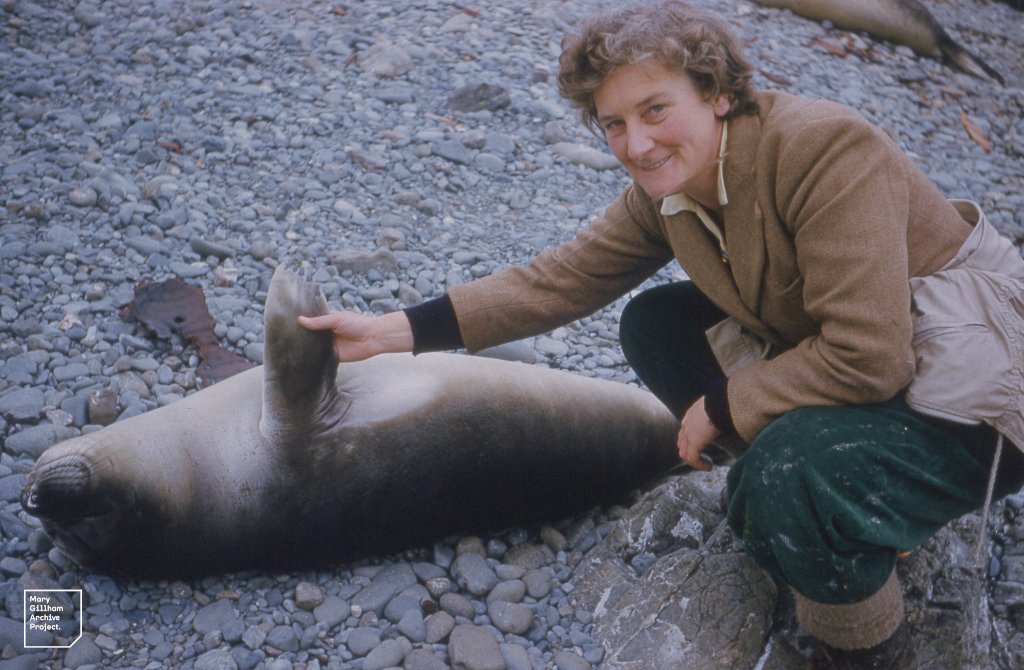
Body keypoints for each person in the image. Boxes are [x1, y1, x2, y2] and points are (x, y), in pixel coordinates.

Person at [300, 2, 1024, 667]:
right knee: (657, 326)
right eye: (613, 123)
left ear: (717, 93)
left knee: (779, 478)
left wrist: (726, 403)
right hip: (880, 369)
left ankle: (868, 643)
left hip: (976, 395)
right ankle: (834, 510)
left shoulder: (826, 151)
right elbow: (560, 279)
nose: (636, 144)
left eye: (654, 109)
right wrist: (389, 333)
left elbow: (870, 355)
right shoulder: (675, 189)